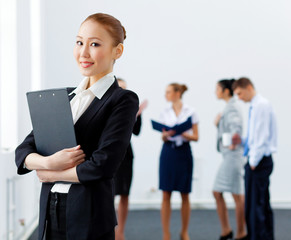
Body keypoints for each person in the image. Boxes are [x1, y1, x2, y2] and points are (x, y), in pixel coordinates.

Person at [15, 13, 139, 240]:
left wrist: (50, 174)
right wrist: (48, 162)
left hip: (89, 215)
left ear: (117, 51)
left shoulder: (122, 100)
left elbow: (103, 165)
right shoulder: (65, 97)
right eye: (79, 42)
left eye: (94, 44)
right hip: (51, 210)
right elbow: (23, 151)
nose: (83, 52)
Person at [232, 77, 277, 240]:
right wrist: (242, 141)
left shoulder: (261, 105)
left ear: (249, 87)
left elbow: (262, 136)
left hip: (258, 162)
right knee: (259, 203)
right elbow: (255, 136)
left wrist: (253, 161)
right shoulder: (255, 106)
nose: (239, 97)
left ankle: (259, 237)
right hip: (256, 159)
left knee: (256, 205)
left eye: (239, 93)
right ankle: (262, 236)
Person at [158, 83, 199, 240]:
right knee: (166, 193)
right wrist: (166, 134)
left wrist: (184, 134)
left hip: (184, 153)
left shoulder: (191, 112)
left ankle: (184, 232)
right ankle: (166, 234)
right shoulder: (164, 112)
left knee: (185, 194)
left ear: (177, 93)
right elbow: (162, 135)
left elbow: (196, 136)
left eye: (168, 92)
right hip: (168, 152)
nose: (166, 95)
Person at [213, 79, 247, 240]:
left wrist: (232, 143)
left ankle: (240, 232)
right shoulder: (229, 107)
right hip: (229, 155)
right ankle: (227, 230)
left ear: (226, 91)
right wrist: (218, 124)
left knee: (236, 194)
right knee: (225, 192)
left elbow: (236, 129)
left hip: (233, 156)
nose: (215, 91)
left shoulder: (232, 107)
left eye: (218, 89)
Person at [114, 78, 147, 240]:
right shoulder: (107, 106)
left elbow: (137, 131)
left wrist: (136, 114)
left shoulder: (132, 109)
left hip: (126, 155)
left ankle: (120, 232)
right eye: (120, 88)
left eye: (125, 88)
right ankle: (109, 231)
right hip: (109, 155)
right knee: (107, 195)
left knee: (124, 194)